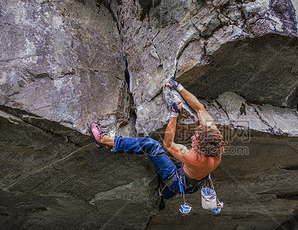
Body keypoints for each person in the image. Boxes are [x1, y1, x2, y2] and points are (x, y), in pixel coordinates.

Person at [89, 79, 225, 200]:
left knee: (152, 145)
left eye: (195, 141)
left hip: (177, 181)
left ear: (201, 150)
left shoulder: (193, 158)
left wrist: (174, 114)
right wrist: (179, 87)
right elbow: (199, 108)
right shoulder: (213, 139)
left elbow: (168, 144)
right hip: (193, 183)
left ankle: (104, 140)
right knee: (174, 178)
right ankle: (164, 193)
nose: (192, 138)